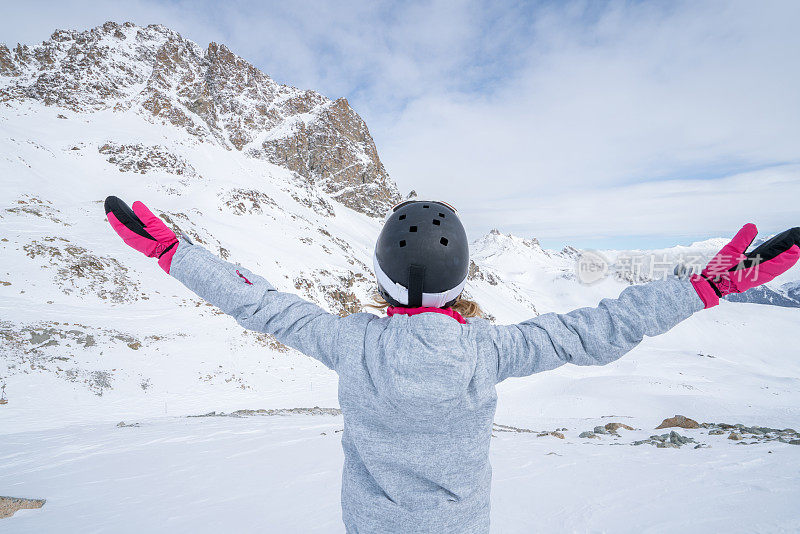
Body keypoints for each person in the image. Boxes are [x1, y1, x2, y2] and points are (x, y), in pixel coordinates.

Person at [104, 196, 799, 533]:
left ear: (379, 279)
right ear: (463, 283)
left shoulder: (350, 343)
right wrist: (701, 288)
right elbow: (598, 330)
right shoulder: (486, 351)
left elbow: (264, 306)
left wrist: (176, 254)